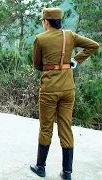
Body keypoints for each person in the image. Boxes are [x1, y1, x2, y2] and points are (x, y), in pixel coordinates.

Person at [30, 8, 100, 180]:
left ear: (46, 21)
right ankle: (67, 172)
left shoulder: (40, 39)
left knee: (46, 128)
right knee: (66, 128)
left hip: (49, 89)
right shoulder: (70, 36)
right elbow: (94, 45)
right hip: (68, 89)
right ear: (59, 21)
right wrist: (75, 60)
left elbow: (37, 65)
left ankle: (40, 167)